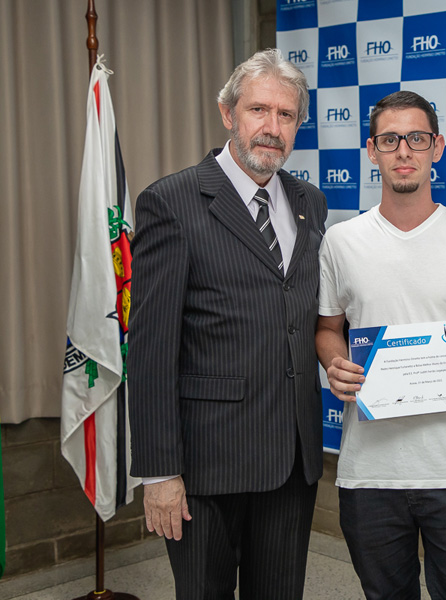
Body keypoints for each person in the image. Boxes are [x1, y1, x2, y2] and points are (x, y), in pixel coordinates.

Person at [128, 49, 326, 599]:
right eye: (258, 110)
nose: (272, 128)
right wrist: (159, 473)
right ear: (227, 114)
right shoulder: (171, 202)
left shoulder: (309, 202)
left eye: (286, 115)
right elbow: (150, 351)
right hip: (205, 466)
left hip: (291, 461)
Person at [315, 90, 446, 600]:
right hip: (368, 473)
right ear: (372, 151)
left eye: (416, 138)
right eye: (389, 140)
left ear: (438, 147)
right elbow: (327, 327)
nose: (403, 150)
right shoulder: (341, 241)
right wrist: (335, 362)